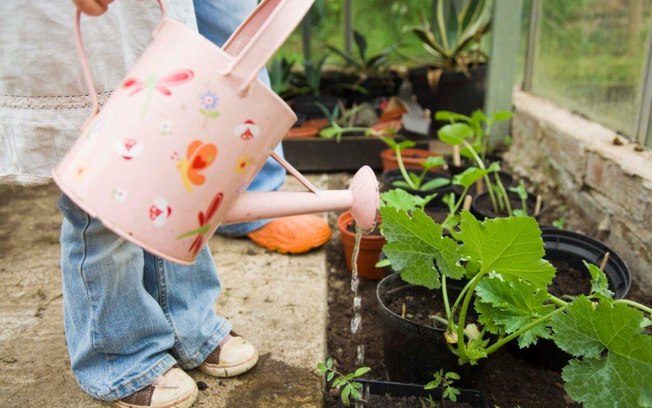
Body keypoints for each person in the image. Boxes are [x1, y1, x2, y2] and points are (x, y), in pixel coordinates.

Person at [0, 0, 328, 407]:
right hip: (85, 22)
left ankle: (186, 317)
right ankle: (120, 351)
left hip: (144, 15)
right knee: (108, 186)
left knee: (176, 157)